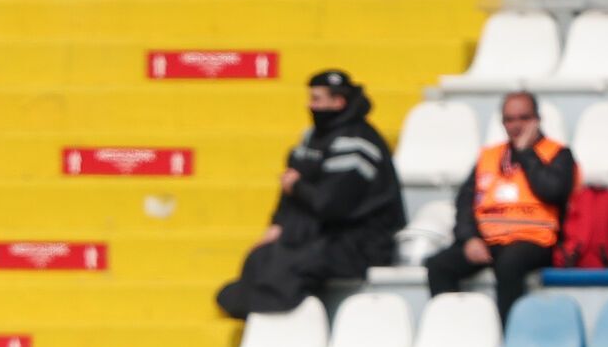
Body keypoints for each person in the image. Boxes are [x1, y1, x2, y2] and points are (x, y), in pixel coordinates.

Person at [215, 69, 405, 320]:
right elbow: (291, 186)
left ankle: (279, 318)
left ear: (338, 102)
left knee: (294, 263)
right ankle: (256, 310)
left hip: (362, 242)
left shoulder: (358, 142)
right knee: (261, 256)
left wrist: (298, 186)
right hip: (323, 234)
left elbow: (332, 204)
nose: (309, 105)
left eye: (316, 99)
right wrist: (278, 224)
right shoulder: (313, 136)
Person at [424, 91, 578, 322]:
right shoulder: (490, 156)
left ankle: (509, 332)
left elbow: (552, 190)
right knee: (439, 265)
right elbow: (465, 203)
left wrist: (526, 153)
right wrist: (469, 238)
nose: (516, 125)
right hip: (490, 240)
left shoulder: (558, 154)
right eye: (509, 119)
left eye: (524, 118)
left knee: (509, 264)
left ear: (537, 119)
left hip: (536, 240)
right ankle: (452, 328)